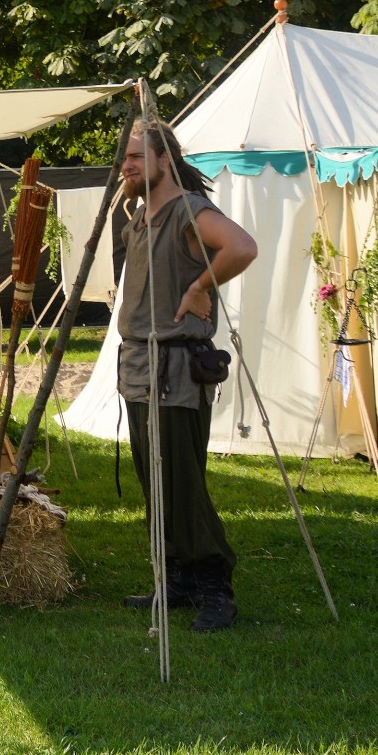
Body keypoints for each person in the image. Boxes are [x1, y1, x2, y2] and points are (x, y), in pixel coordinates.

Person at [116, 118, 257, 633]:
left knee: (181, 484)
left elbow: (241, 246)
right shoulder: (138, 215)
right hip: (138, 366)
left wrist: (200, 286)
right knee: (154, 483)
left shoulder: (188, 212)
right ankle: (176, 577)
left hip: (175, 370)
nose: (125, 166)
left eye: (135, 157)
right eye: (124, 157)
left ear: (162, 161)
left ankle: (215, 585)